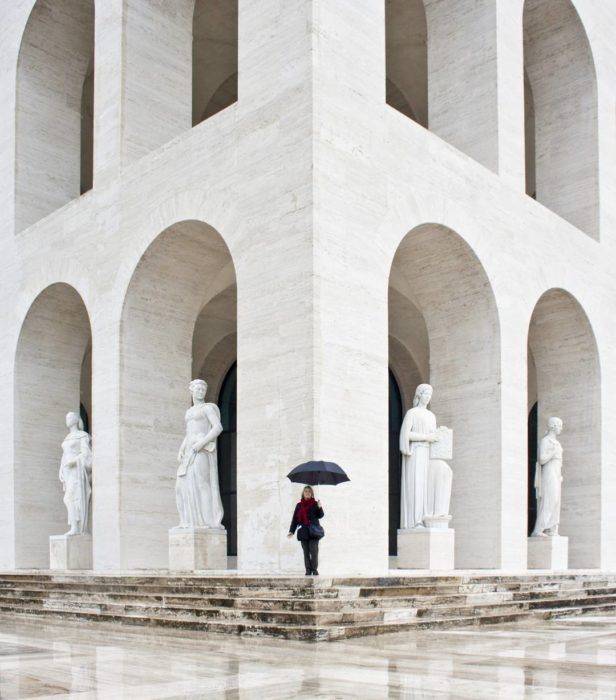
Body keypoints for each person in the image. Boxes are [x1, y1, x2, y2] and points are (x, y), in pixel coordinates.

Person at [175, 378, 224, 529]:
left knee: (202, 483)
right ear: (192, 391)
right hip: (189, 449)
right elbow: (188, 432)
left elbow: (218, 427)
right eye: (198, 389)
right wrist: (181, 449)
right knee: (180, 487)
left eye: (203, 389)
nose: (201, 391)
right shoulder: (189, 411)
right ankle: (186, 521)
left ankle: (208, 521)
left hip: (201, 449)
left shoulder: (207, 408)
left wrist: (201, 444)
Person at [399, 383, 440, 528]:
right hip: (416, 452)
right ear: (419, 395)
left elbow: (434, 435)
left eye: (430, 395)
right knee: (416, 485)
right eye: (425, 394)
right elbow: (405, 434)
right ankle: (415, 520)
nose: (428, 397)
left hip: (428, 453)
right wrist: (426, 437)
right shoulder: (412, 413)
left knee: (425, 487)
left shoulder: (431, 416)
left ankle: (425, 518)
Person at [59, 411, 92, 535]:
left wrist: (74, 461)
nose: (67, 420)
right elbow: (64, 455)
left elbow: (87, 454)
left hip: (77, 470)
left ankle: (76, 527)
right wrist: (61, 469)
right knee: (69, 498)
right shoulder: (67, 437)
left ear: (76, 419)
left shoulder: (82, 435)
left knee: (70, 498)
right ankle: (74, 526)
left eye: (70, 417)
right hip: (68, 471)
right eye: (66, 417)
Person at [532, 417, 564, 537]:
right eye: (559, 425)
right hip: (549, 471)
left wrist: (560, 475)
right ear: (553, 426)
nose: (561, 428)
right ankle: (538, 529)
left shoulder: (557, 443)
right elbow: (542, 459)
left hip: (556, 472)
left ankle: (552, 528)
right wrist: (552, 451)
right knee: (550, 499)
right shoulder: (546, 441)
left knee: (556, 501)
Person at [287, 486, 324, 575]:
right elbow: (295, 519)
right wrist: (292, 531)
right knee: (306, 552)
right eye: (306, 491)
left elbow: (320, 515)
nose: (307, 493)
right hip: (303, 531)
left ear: (312, 494)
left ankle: (314, 570)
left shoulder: (315, 504)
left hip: (314, 531)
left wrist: (320, 507)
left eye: (309, 491)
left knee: (314, 551)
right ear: (303, 493)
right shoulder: (299, 505)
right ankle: (308, 569)